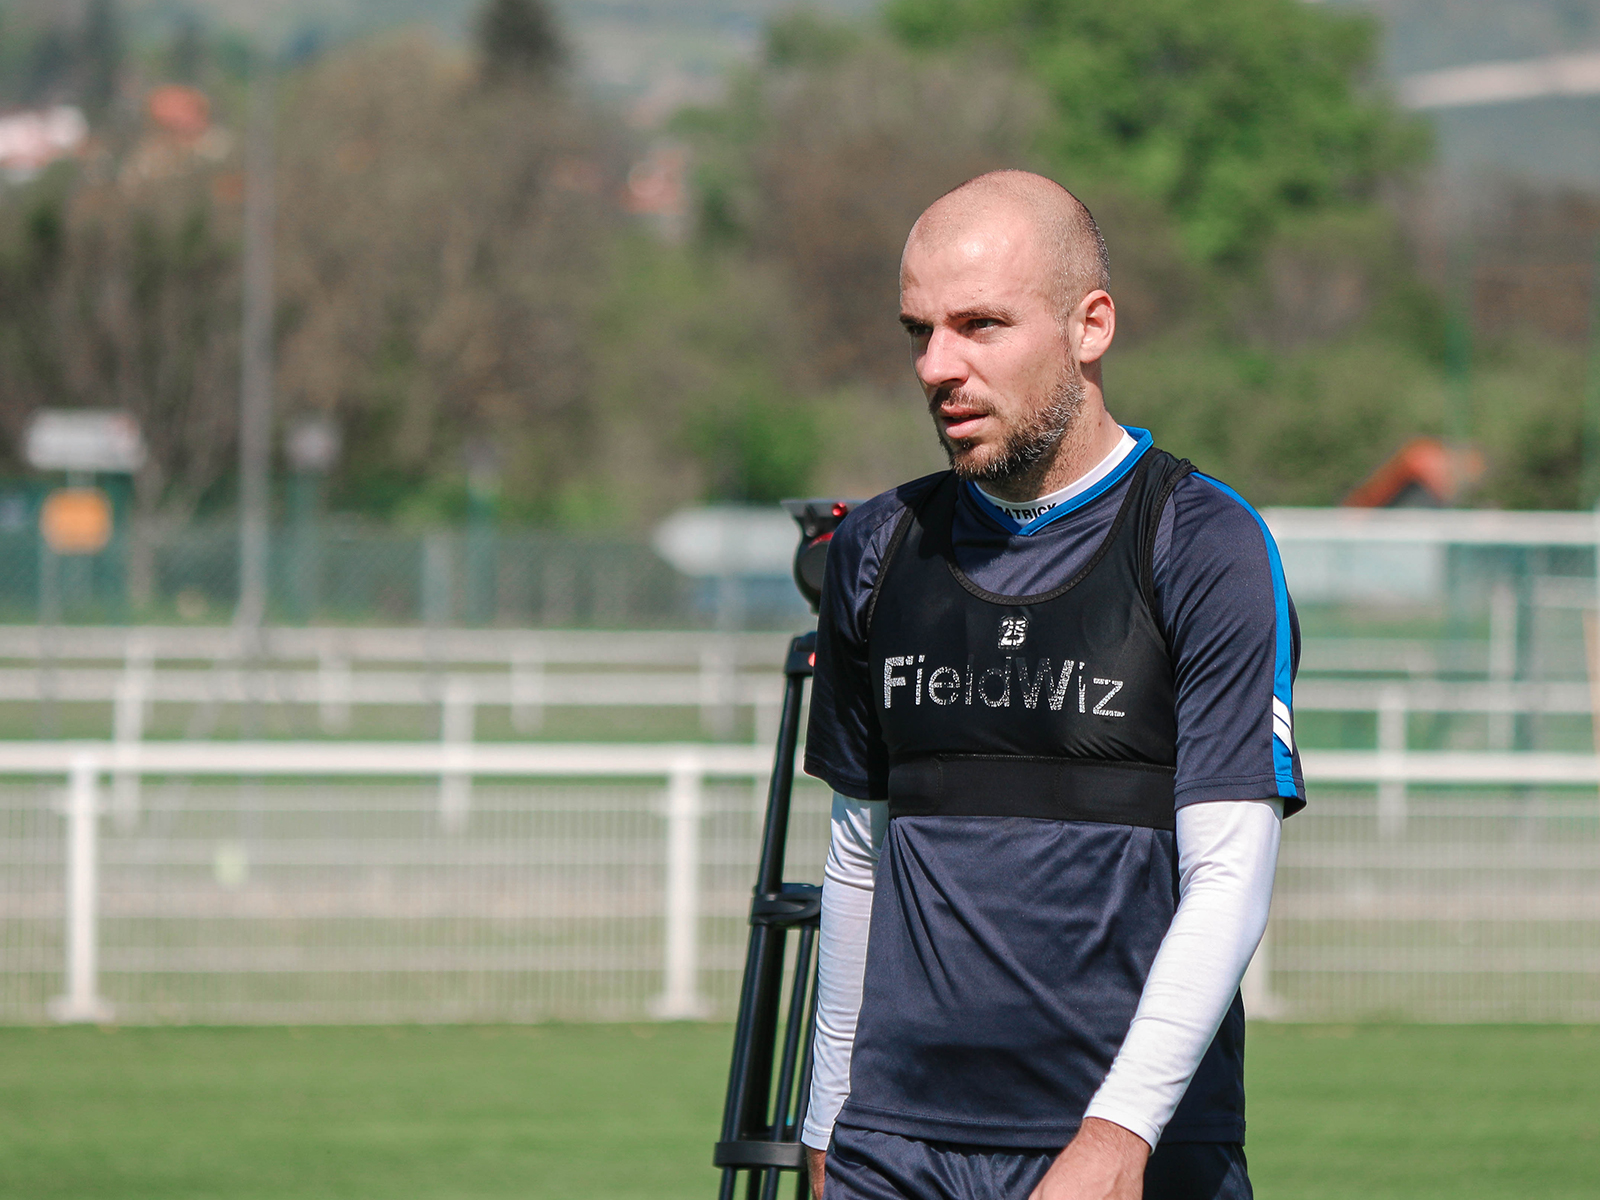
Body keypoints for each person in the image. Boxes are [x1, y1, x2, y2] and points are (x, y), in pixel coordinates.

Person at [798, 170, 1305, 1200]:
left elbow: (1230, 870)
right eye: (920, 331)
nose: (937, 366)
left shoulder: (1201, 542)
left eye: (979, 325)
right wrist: (828, 1127)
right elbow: (858, 855)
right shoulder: (876, 549)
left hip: (1135, 1148)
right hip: (891, 1149)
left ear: (1090, 326)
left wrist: (1119, 1136)